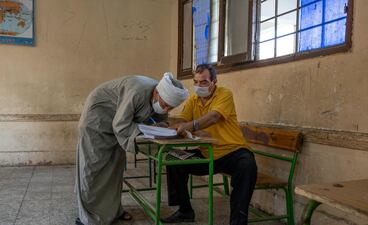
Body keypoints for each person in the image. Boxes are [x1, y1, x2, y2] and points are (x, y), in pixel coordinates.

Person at [76, 73, 189, 225]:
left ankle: (113, 212)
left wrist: (163, 129)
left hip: (116, 126)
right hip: (97, 121)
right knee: (93, 169)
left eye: (170, 107)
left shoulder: (162, 97)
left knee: (114, 168)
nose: (166, 108)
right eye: (164, 104)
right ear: (156, 92)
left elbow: (158, 122)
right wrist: (146, 131)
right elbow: (121, 125)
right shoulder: (137, 91)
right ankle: (87, 218)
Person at [162, 64, 257, 225]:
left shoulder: (224, 94)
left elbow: (214, 117)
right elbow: (182, 120)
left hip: (233, 151)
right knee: (173, 160)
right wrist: (163, 123)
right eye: (196, 82)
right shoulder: (193, 99)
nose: (199, 86)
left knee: (248, 166)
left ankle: (238, 222)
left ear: (214, 82)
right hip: (208, 153)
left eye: (204, 82)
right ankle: (185, 211)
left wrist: (190, 126)